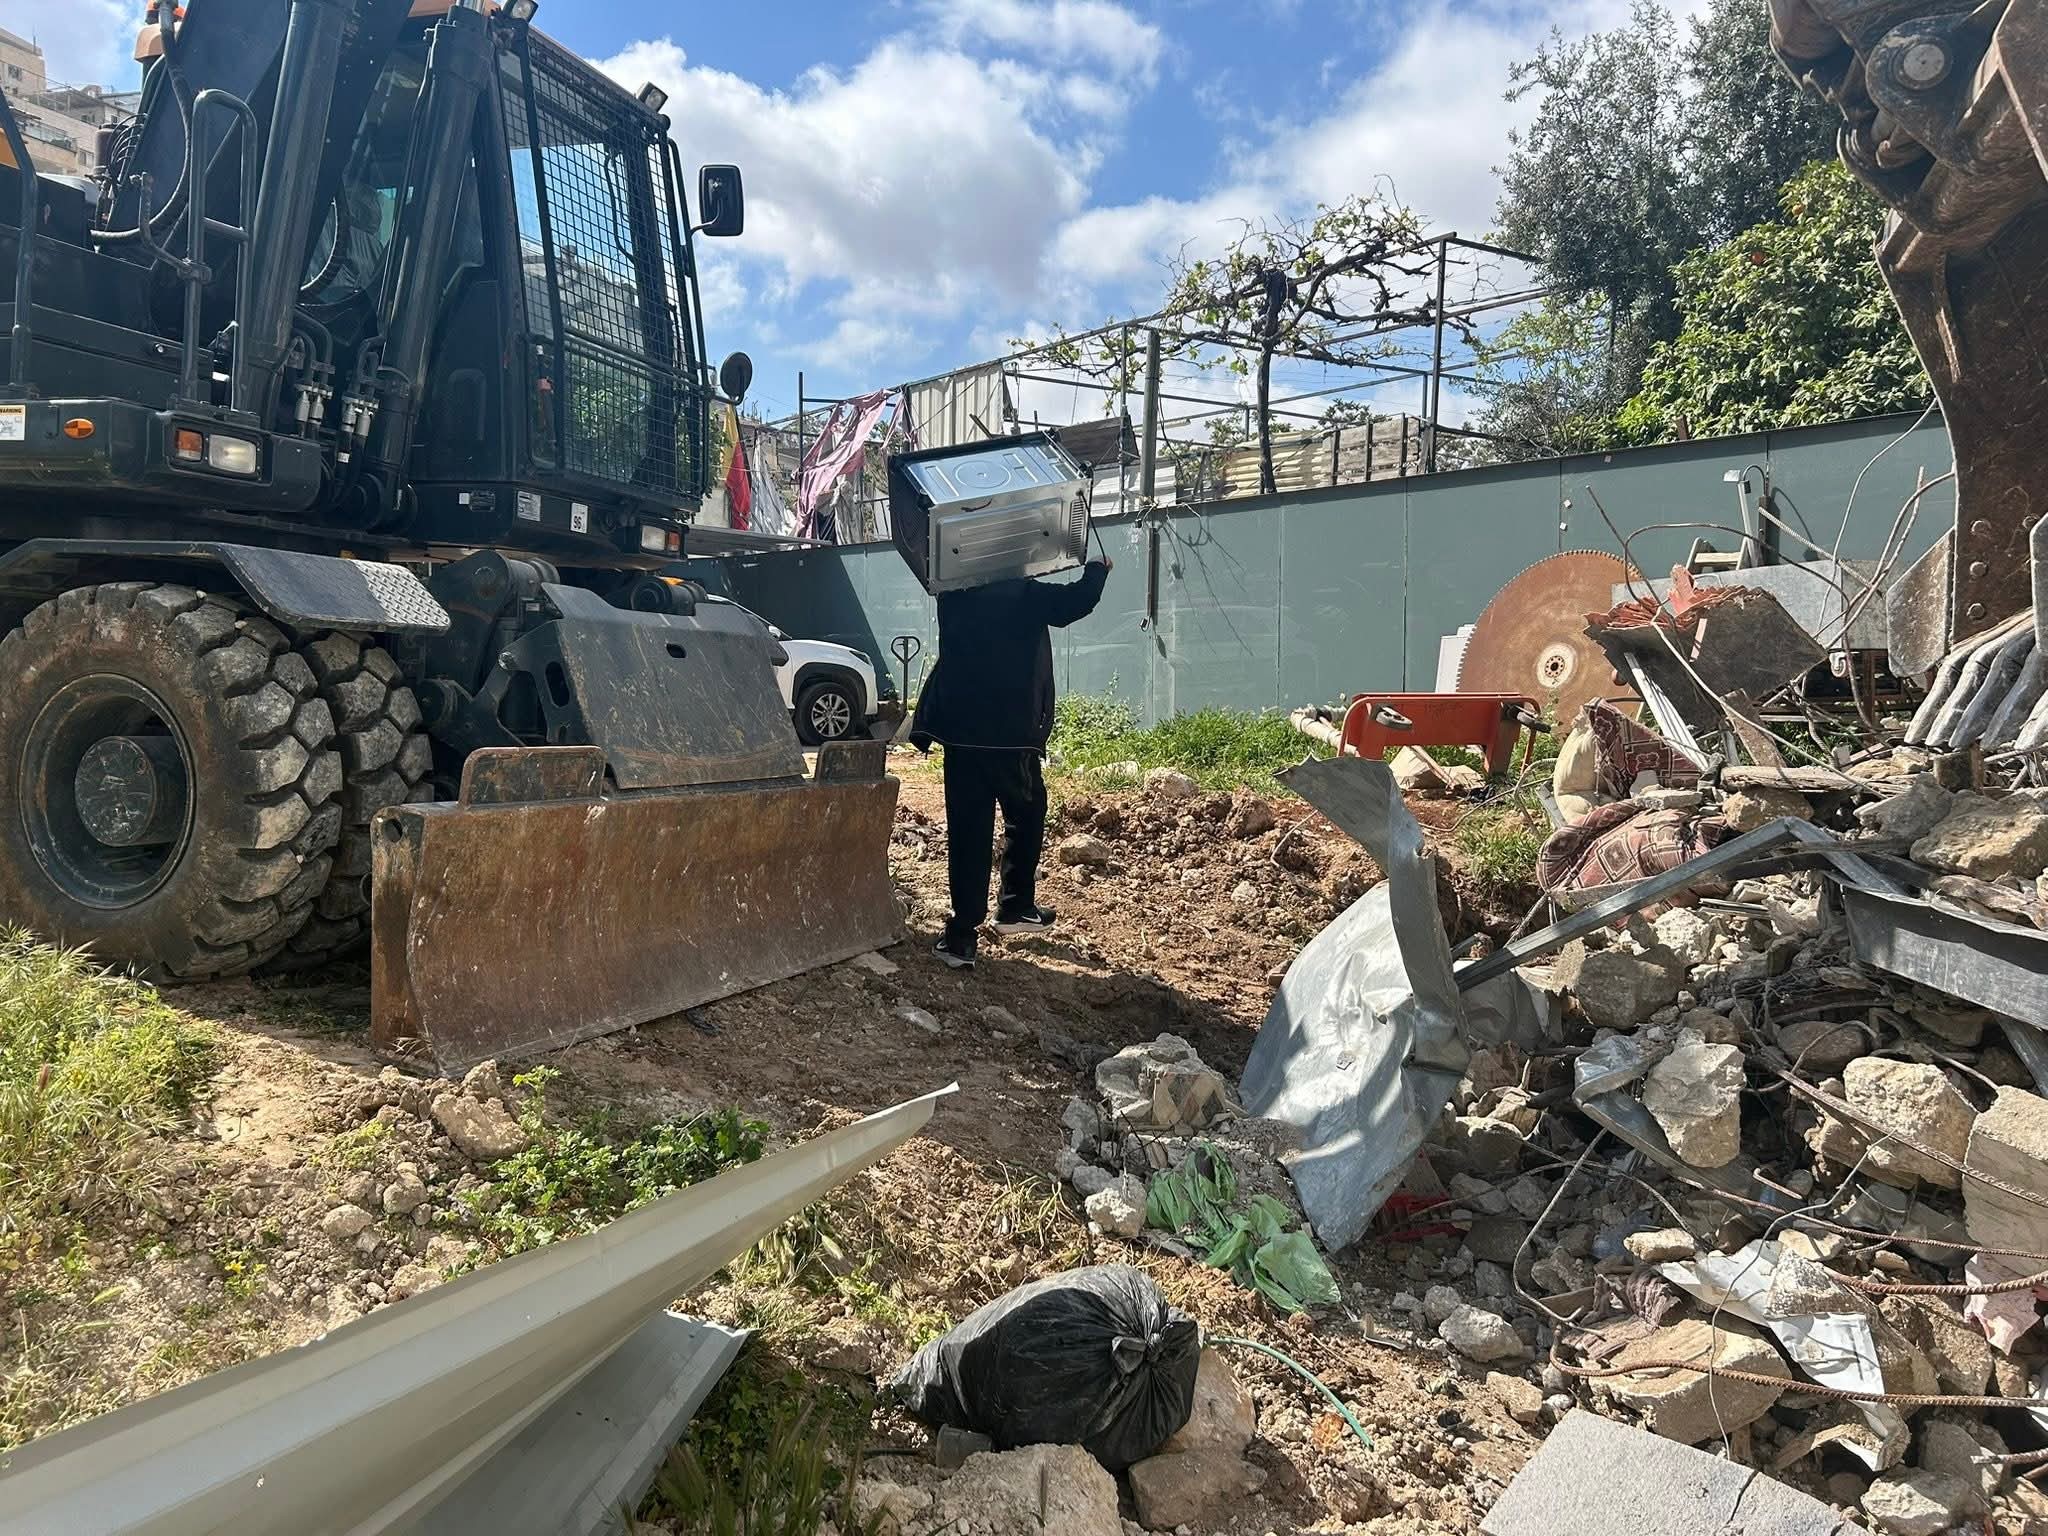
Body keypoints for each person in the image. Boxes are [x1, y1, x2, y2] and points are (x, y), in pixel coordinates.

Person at [908, 555, 1113, 969]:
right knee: (1027, 812)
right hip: (1010, 739)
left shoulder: (952, 595)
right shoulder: (1025, 594)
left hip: (963, 737)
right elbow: (1076, 601)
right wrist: (1097, 570)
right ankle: (1016, 905)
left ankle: (962, 938)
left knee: (969, 832)